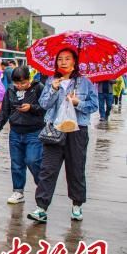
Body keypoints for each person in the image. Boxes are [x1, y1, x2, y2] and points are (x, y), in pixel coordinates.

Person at [28, 48, 98, 224]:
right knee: (47, 169)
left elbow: (94, 106)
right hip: (54, 128)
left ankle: (77, 205)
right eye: (60, 59)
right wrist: (52, 89)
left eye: (67, 59)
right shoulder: (51, 80)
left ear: (75, 62)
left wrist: (77, 102)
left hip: (77, 130)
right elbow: (43, 104)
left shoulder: (85, 83)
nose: (63, 62)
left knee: (76, 169)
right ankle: (41, 208)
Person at [0, 66, 45, 204]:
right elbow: (4, 111)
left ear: (29, 79)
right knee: (16, 163)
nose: (20, 86)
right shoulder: (10, 90)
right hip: (15, 131)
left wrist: (31, 108)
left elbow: (46, 108)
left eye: (23, 83)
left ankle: (44, 187)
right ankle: (18, 191)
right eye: (17, 83)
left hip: (34, 131)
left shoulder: (38, 88)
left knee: (33, 160)